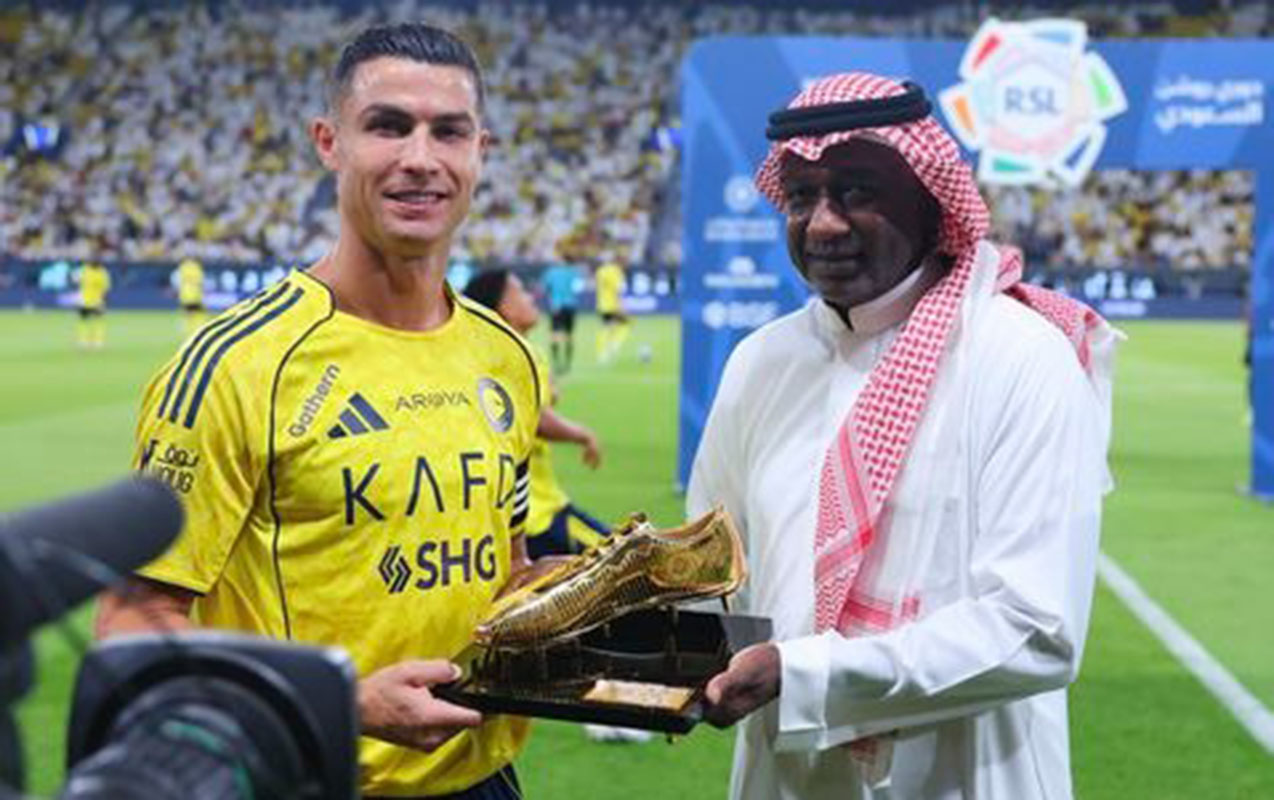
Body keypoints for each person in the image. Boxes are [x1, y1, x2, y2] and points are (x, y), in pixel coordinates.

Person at [96, 23, 550, 799]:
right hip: (307, 776)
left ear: (481, 151)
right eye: (388, 126)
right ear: (329, 143)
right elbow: (132, 620)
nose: (420, 157)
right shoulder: (236, 365)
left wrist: (573, 598)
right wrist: (339, 703)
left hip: (484, 777)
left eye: (448, 131)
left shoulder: (503, 354)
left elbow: (504, 570)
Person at [688, 73, 1118, 799]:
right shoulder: (761, 361)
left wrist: (804, 674)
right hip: (788, 776)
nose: (822, 225)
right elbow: (710, 571)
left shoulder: (1018, 357)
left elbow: (1037, 629)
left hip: (964, 776)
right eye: (802, 197)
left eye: (858, 192)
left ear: (929, 200)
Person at [462, 268, 654, 745]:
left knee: (587, 596)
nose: (531, 296)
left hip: (525, 509)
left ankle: (598, 699)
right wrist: (581, 433)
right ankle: (610, 708)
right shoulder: (511, 352)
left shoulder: (490, 351)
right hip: (538, 512)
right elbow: (534, 418)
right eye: (519, 290)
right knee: (626, 576)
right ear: (501, 307)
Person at [539, 257, 581, 375]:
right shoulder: (574, 272)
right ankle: (567, 364)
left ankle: (556, 363)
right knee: (569, 334)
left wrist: (553, 297)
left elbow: (545, 288)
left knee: (555, 334)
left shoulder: (551, 272)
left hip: (556, 306)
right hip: (571, 305)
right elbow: (578, 288)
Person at [593, 256, 628, 363]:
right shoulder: (616, 272)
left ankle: (603, 351)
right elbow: (617, 290)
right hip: (613, 304)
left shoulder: (600, 271)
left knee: (607, 327)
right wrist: (621, 305)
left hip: (602, 304)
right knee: (624, 325)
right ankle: (613, 345)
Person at [75, 260, 111, 349]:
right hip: (93, 301)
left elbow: (76, 280)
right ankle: (95, 341)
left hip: (88, 300)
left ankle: (86, 340)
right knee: (96, 320)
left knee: (86, 321)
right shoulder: (102, 272)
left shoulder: (85, 270)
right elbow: (105, 288)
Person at [174, 255, 206, 335]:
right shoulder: (196, 267)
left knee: (187, 312)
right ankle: (197, 327)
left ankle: (186, 327)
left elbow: (179, 280)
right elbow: (200, 281)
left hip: (185, 293)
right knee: (198, 311)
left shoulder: (183, 267)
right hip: (195, 292)